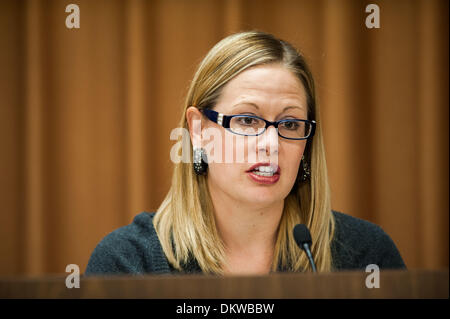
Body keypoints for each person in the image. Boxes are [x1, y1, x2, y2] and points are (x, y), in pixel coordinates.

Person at [85, 31, 405, 276]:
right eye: (247, 120)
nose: (271, 143)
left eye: (290, 124)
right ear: (198, 130)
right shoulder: (127, 263)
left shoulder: (365, 256)